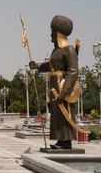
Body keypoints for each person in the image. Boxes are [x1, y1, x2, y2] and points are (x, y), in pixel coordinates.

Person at [30, 15, 78, 150]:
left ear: (59, 33)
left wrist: (64, 92)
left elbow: (73, 72)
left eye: (53, 31)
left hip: (63, 86)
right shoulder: (56, 51)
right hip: (54, 86)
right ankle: (61, 141)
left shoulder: (69, 49)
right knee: (57, 115)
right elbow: (51, 66)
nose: (51, 34)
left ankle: (66, 142)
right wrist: (37, 66)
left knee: (65, 113)